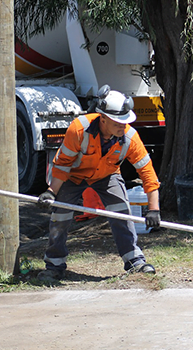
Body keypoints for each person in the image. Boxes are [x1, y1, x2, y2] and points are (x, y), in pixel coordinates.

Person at [36, 85, 161, 281]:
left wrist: (154, 209)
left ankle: (134, 261)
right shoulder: (78, 129)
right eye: (118, 122)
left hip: (107, 176)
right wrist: (51, 192)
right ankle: (54, 265)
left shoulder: (130, 137)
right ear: (102, 118)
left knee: (121, 212)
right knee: (60, 216)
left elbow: (148, 173)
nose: (123, 126)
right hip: (74, 176)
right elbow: (63, 164)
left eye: (125, 122)